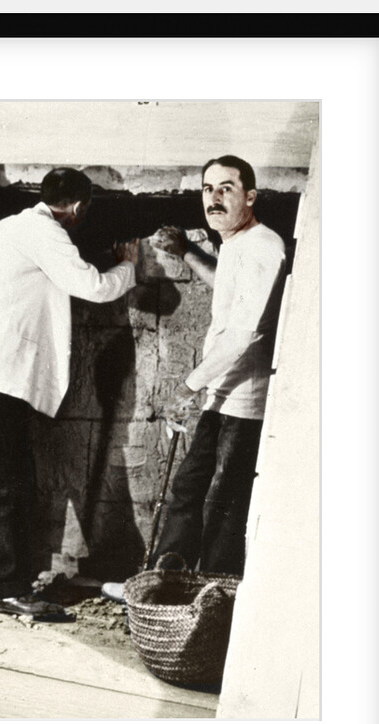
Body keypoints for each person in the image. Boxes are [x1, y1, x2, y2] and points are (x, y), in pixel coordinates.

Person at [0, 167, 139, 621]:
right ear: (78, 207)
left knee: (3, 483)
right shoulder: (44, 231)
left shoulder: (10, 227)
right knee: (9, 487)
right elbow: (92, 286)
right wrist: (128, 265)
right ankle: (6, 590)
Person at [102, 155, 288, 602]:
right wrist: (186, 250)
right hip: (220, 397)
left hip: (244, 402)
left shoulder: (264, 246)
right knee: (187, 491)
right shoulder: (238, 245)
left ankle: (211, 605)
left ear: (250, 196)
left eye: (227, 188)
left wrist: (188, 386)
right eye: (208, 189)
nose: (214, 198)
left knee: (221, 505)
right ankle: (159, 589)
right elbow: (226, 285)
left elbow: (245, 332)